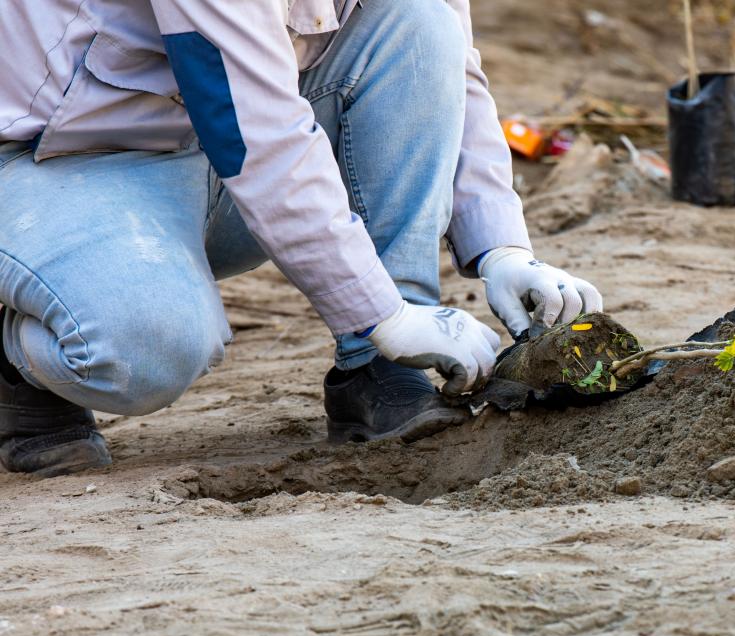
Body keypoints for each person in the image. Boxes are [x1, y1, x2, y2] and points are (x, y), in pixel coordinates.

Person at [0, 0, 602, 477]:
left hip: (218, 148)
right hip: (62, 163)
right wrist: (381, 314)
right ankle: (18, 362)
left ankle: (379, 371)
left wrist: (502, 248)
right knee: (145, 351)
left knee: (420, 22)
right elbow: (257, 132)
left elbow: (454, 72)